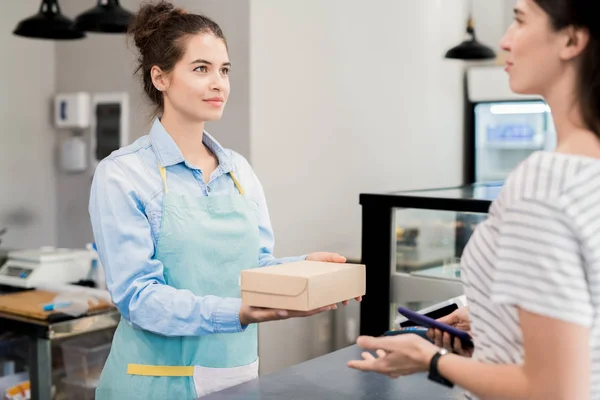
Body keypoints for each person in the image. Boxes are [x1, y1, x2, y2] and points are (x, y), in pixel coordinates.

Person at [88, 2, 359, 399]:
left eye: (224, 70)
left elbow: (254, 268)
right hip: (154, 384)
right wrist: (235, 313)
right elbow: (139, 298)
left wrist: (300, 269)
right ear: (160, 78)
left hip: (237, 379)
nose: (219, 83)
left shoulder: (239, 172)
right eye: (201, 68)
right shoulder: (123, 174)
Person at [348, 0, 600, 398]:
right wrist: (493, 323)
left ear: (571, 40)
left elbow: (554, 391)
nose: (504, 40)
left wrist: (428, 359)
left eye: (519, 20)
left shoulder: (544, 185)